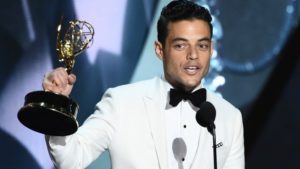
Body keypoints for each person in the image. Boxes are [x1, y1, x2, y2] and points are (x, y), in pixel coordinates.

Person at [44, 0, 245, 169]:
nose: (193, 55)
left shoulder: (230, 118)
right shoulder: (121, 102)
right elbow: (70, 159)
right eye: (180, 45)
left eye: (202, 46)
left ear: (210, 50)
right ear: (160, 50)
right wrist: (56, 104)